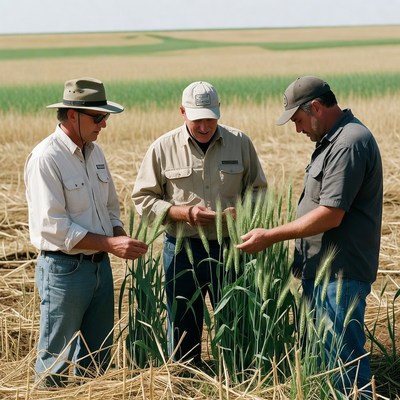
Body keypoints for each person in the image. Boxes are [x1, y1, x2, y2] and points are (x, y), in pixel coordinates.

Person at [237, 76, 383, 397]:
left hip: (339, 275)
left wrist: (270, 236)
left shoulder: (348, 143)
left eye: (298, 120)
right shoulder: (332, 141)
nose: (298, 129)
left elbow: (331, 214)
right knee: (327, 362)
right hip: (322, 273)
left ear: (315, 107)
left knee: (343, 366)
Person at [24, 77, 148, 387]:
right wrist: (111, 243)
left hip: (99, 269)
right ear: (71, 115)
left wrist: (121, 237)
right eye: (98, 117)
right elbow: (54, 227)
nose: (104, 124)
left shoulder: (96, 153)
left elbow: (109, 209)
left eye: (105, 117)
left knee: (97, 359)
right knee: (55, 360)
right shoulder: (46, 158)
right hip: (64, 271)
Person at [132, 81, 267, 365]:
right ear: (182, 112)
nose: (204, 126)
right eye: (197, 120)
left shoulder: (239, 142)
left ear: (219, 111)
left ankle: (234, 375)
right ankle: (184, 380)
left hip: (230, 249)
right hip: (181, 251)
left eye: (210, 118)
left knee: (235, 321)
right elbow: (143, 198)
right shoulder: (162, 147)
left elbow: (258, 189)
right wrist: (184, 214)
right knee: (182, 324)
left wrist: (242, 213)